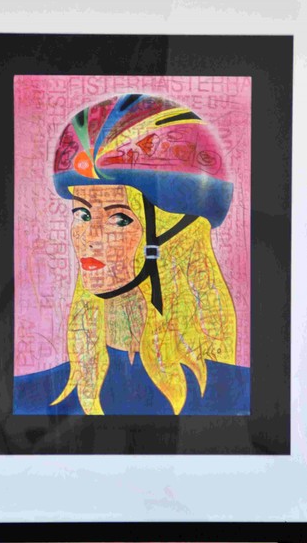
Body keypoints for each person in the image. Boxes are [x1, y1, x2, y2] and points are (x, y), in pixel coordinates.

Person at [14, 93, 250, 415]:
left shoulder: (239, 398)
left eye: (119, 218)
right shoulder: (30, 397)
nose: (89, 238)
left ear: (175, 237)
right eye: (82, 214)